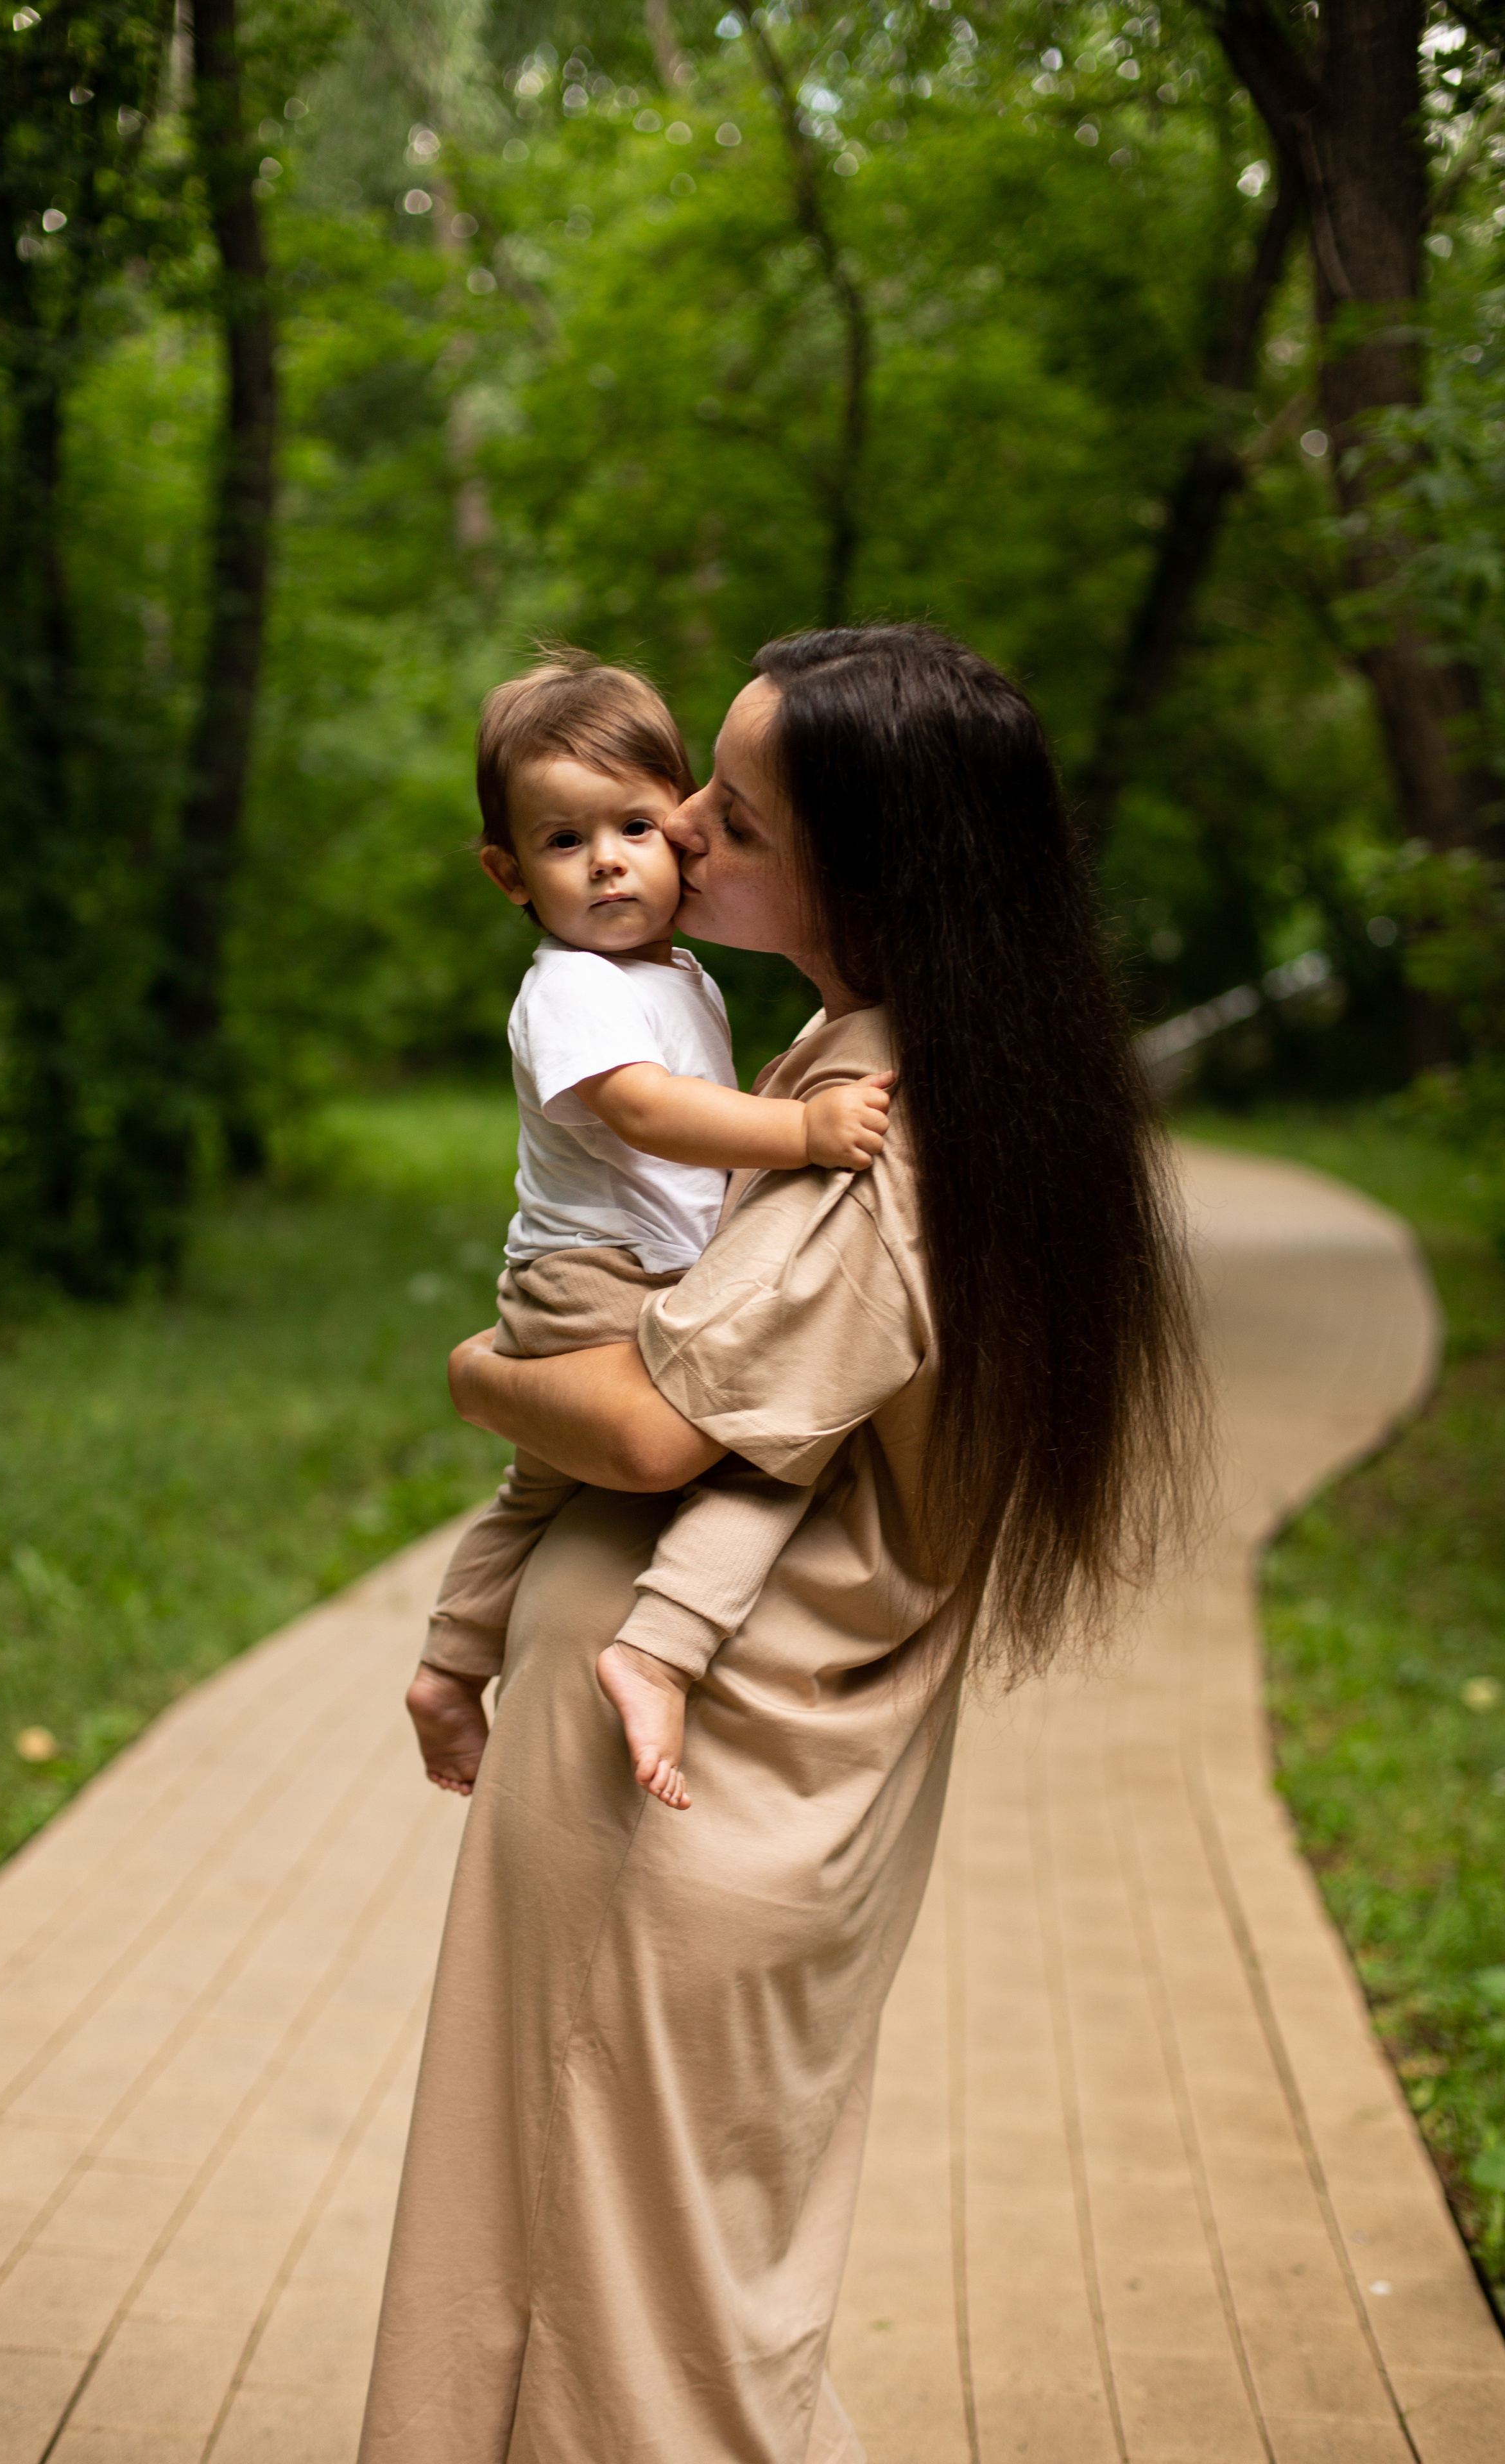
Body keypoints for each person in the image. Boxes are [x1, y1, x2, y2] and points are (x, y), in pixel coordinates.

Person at [358, 625, 1203, 2464]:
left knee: (647, 2345)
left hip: (692, 1798)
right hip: (719, 1782)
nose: (673, 824)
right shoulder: (884, 1062)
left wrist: (472, 1371)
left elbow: (659, 1426)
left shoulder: (881, 1134)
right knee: (614, 2300)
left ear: (864, 870)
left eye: (727, 811)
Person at [409, 653, 893, 1811]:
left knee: (536, 1486)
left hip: (637, 1267)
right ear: (509, 874)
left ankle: (446, 1666)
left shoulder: (681, 974)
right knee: (746, 1445)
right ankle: (657, 1646)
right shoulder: (573, 985)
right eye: (565, 842)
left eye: (635, 824)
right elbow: (646, 1110)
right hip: (592, 1277)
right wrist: (803, 1130)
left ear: (677, 828)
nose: (611, 862)